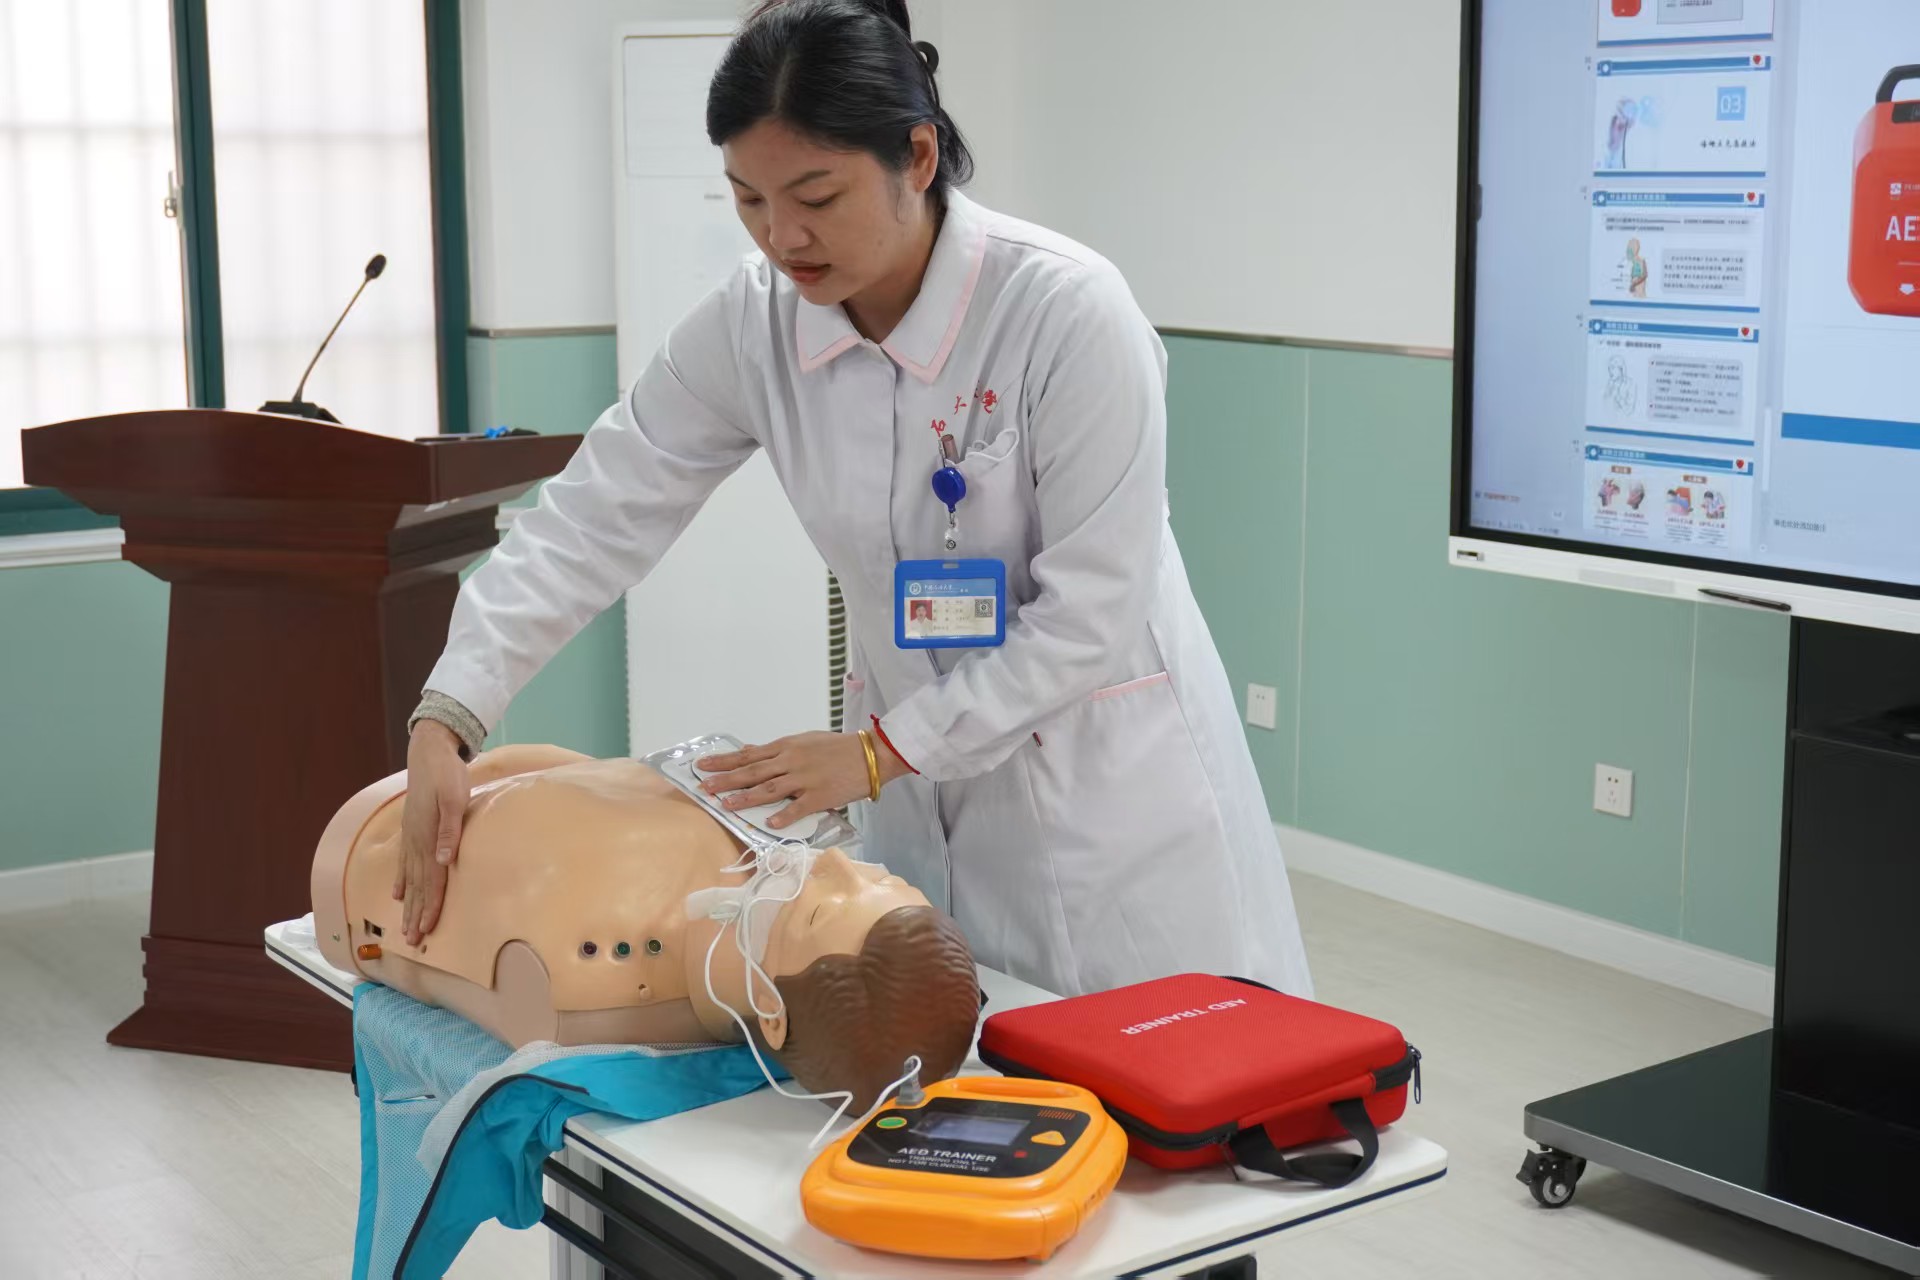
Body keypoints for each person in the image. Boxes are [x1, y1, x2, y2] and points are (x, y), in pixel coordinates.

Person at [400, 0, 1313, 1003]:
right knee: (957, 1060)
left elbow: (1092, 612)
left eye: (816, 195)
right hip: (916, 797)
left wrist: (881, 754)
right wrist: (453, 708)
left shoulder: (1065, 312)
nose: (781, 236)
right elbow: (598, 507)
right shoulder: (754, 325)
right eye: (748, 198)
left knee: (1154, 1067)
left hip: (1105, 807)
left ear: (917, 156)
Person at [315, 743, 981, 1111]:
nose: (832, 862)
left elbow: (450, 961)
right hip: (447, 791)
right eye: (872, 875)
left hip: (372, 845)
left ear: (772, 1014)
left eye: (820, 909)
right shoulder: (753, 861)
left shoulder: (591, 978)